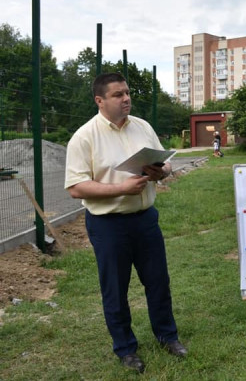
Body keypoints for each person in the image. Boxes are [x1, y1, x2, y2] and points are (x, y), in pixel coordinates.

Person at [64, 72, 187, 374]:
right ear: (100, 100)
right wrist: (121, 188)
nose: (126, 98)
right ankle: (126, 349)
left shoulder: (142, 127)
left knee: (158, 281)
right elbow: (76, 187)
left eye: (127, 92)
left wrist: (161, 171)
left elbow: (165, 162)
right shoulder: (84, 137)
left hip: (145, 219)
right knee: (115, 289)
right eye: (118, 94)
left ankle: (167, 336)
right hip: (108, 225)